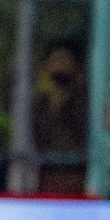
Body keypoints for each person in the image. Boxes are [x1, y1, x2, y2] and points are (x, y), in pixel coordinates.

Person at [32, 40, 89, 195]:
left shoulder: (84, 105)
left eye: (65, 59)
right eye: (55, 60)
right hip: (46, 184)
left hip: (76, 185)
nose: (60, 65)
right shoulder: (38, 105)